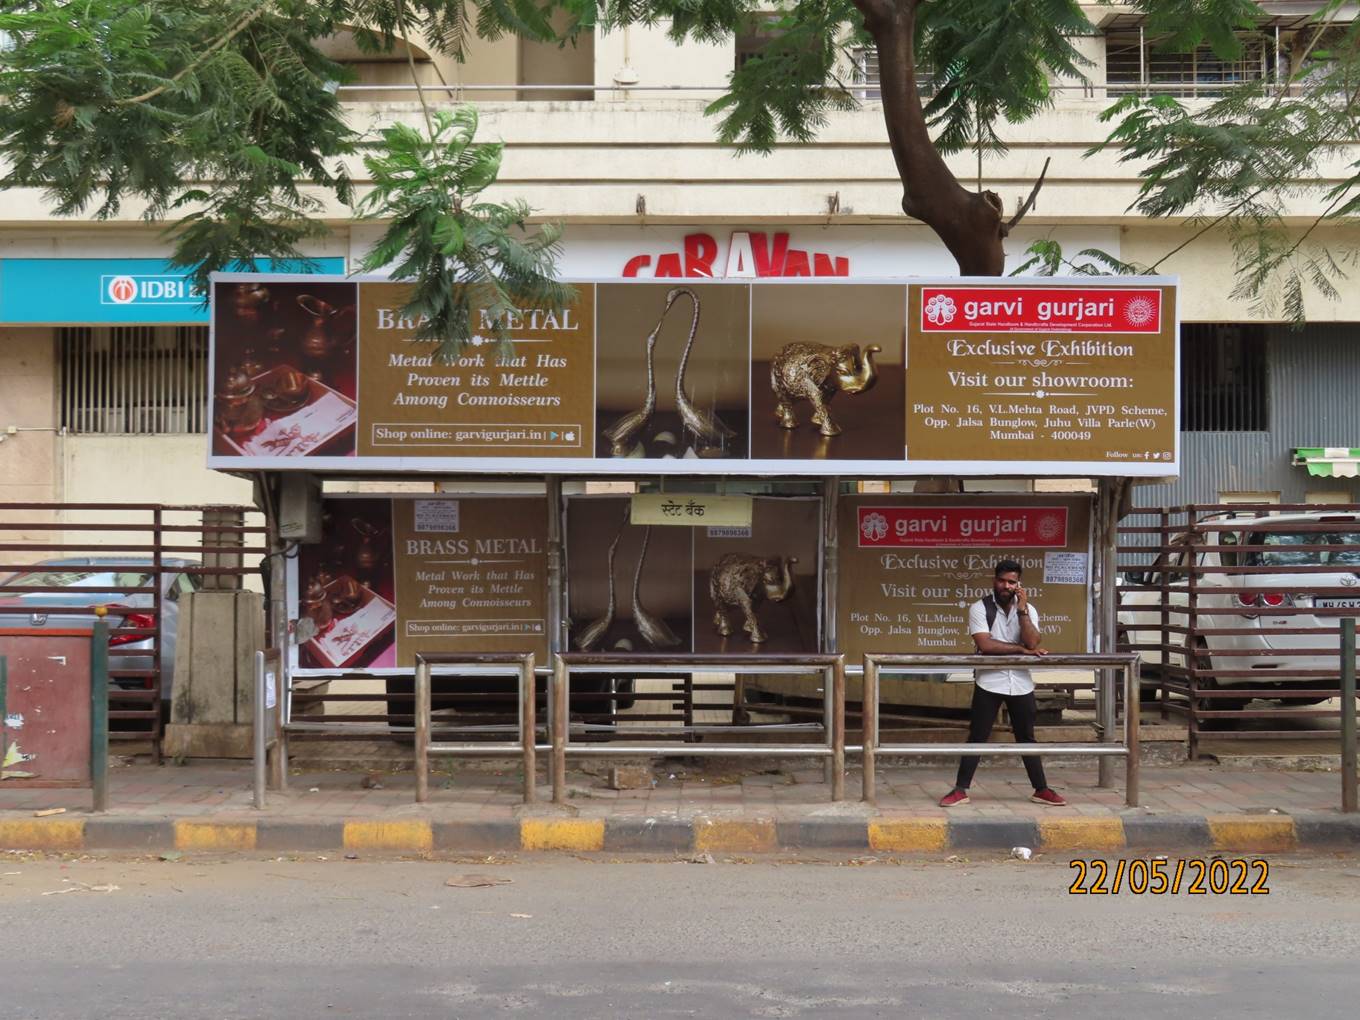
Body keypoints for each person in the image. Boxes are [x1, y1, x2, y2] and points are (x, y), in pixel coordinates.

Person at [938, 559, 1067, 807]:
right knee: (977, 735)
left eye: (1011, 582)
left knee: (1026, 738)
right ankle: (960, 789)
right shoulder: (979, 608)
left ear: (1018, 584)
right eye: (1001, 580)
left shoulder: (1028, 610)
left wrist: (1022, 610)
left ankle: (1041, 789)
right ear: (994, 581)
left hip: (1021, 682)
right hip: (989, 680)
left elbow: (1033, 643)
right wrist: (1019, 650)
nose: (1005, 586)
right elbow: (985, 645)